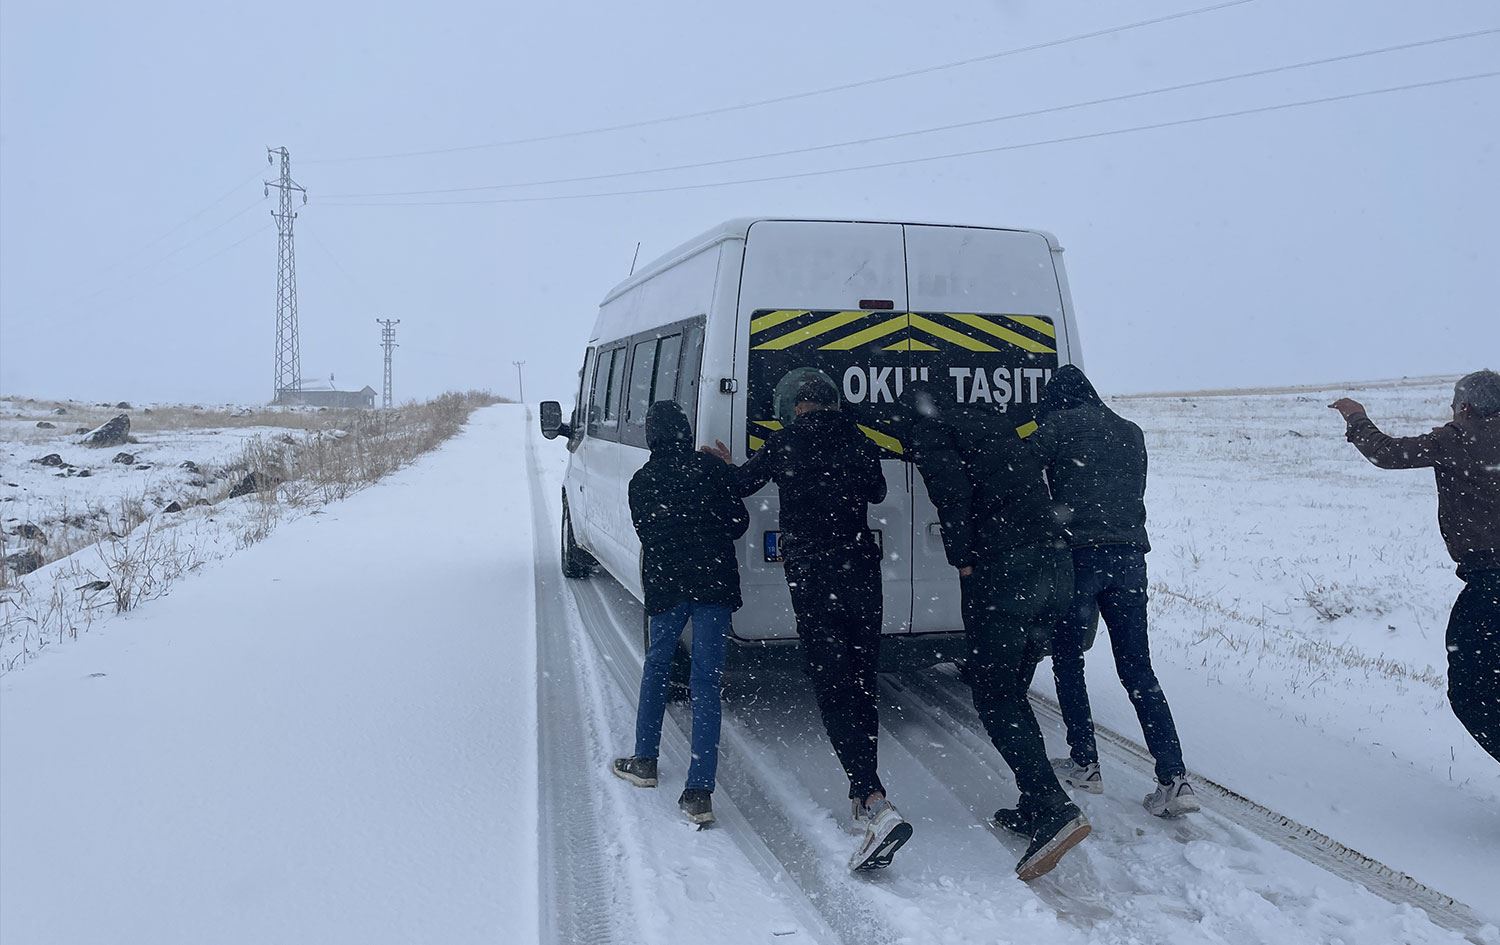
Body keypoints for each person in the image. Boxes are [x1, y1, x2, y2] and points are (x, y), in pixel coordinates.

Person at [702, 376, 913, 871]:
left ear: (797, 406)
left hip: (815, 576)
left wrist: (726, 466)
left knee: (831, 683)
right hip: (861, 571)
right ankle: (866, 790)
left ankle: (872, 798)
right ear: (832, 403)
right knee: (862, 680)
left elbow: (740, 485)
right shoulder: (857, 438)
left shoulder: (785, 441)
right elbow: (878, 491)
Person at [903, 382, 1091, 881]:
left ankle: (1052, 808)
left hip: (1008, 573)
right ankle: (1033, 802)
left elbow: (951, 494)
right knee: (1013, 692)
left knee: (995, 695)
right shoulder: (994, 425)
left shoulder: (932, 431)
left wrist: (963, 558)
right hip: (1055, 568)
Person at [1028, 365, 1199, 817]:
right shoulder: (1130, 431)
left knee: (1068, 658)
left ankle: (1085, 762)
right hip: (1129, 559)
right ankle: (1174, 778)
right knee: (1138, 670)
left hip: (1079, 558)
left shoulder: (1056, 427)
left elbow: (1021, 472)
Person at [1330, 370, 1500, 764]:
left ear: (1466, 407)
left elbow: (1387, 453)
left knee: (1471, 693)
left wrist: (1356, 417)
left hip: (1490, 586)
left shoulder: (1459, 438)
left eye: (1454, 405)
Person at [611, 401, 750, 825]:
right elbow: (738, 523)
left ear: (651, 436)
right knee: (706, 682)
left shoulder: (642, 481)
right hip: (713, 584)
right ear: (687, 433)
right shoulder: (711, 471)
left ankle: (645, 761)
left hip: (667, 586)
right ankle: (698, 793)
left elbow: (646, 531)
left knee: (657, 667)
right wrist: (723, 476)